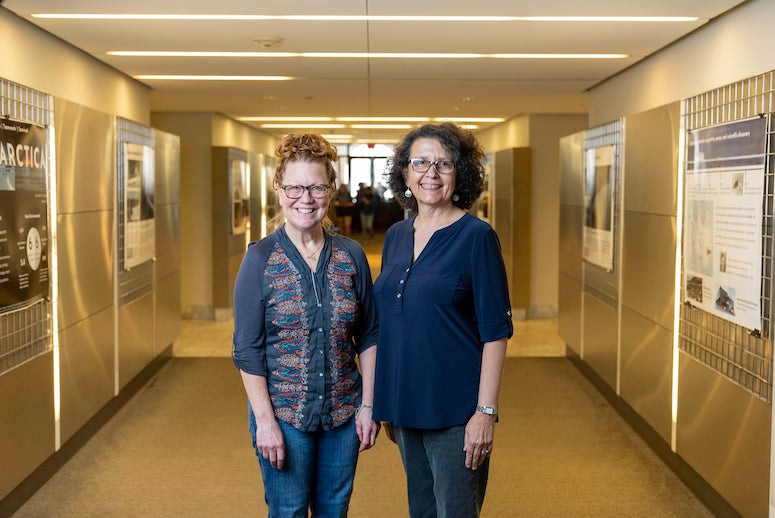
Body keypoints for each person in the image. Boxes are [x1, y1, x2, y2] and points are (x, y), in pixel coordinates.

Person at [232, 133, 380, 517]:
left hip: (344, 413)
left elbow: (369, 334)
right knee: (289, 510)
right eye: (295, 187)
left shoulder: (352, 256)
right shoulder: (259, 259)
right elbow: (247, 350)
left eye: (316, 187)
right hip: (283, 413)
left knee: (334, 509)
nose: (306, 199)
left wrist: (368, 405)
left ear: (331, 190)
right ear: (279, 190)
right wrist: (265, 423)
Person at [373, 122, 513, 517]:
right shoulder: (396, 235)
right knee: (421, 510)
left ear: (460, 173)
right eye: (419, 162)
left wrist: (484, 414)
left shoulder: (477, 237)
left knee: (454, 511)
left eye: (444, 164)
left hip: (456, 413)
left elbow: (496, 333)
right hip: (404, 407)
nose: (430, 174)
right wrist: (387, 399)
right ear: (405, 172)